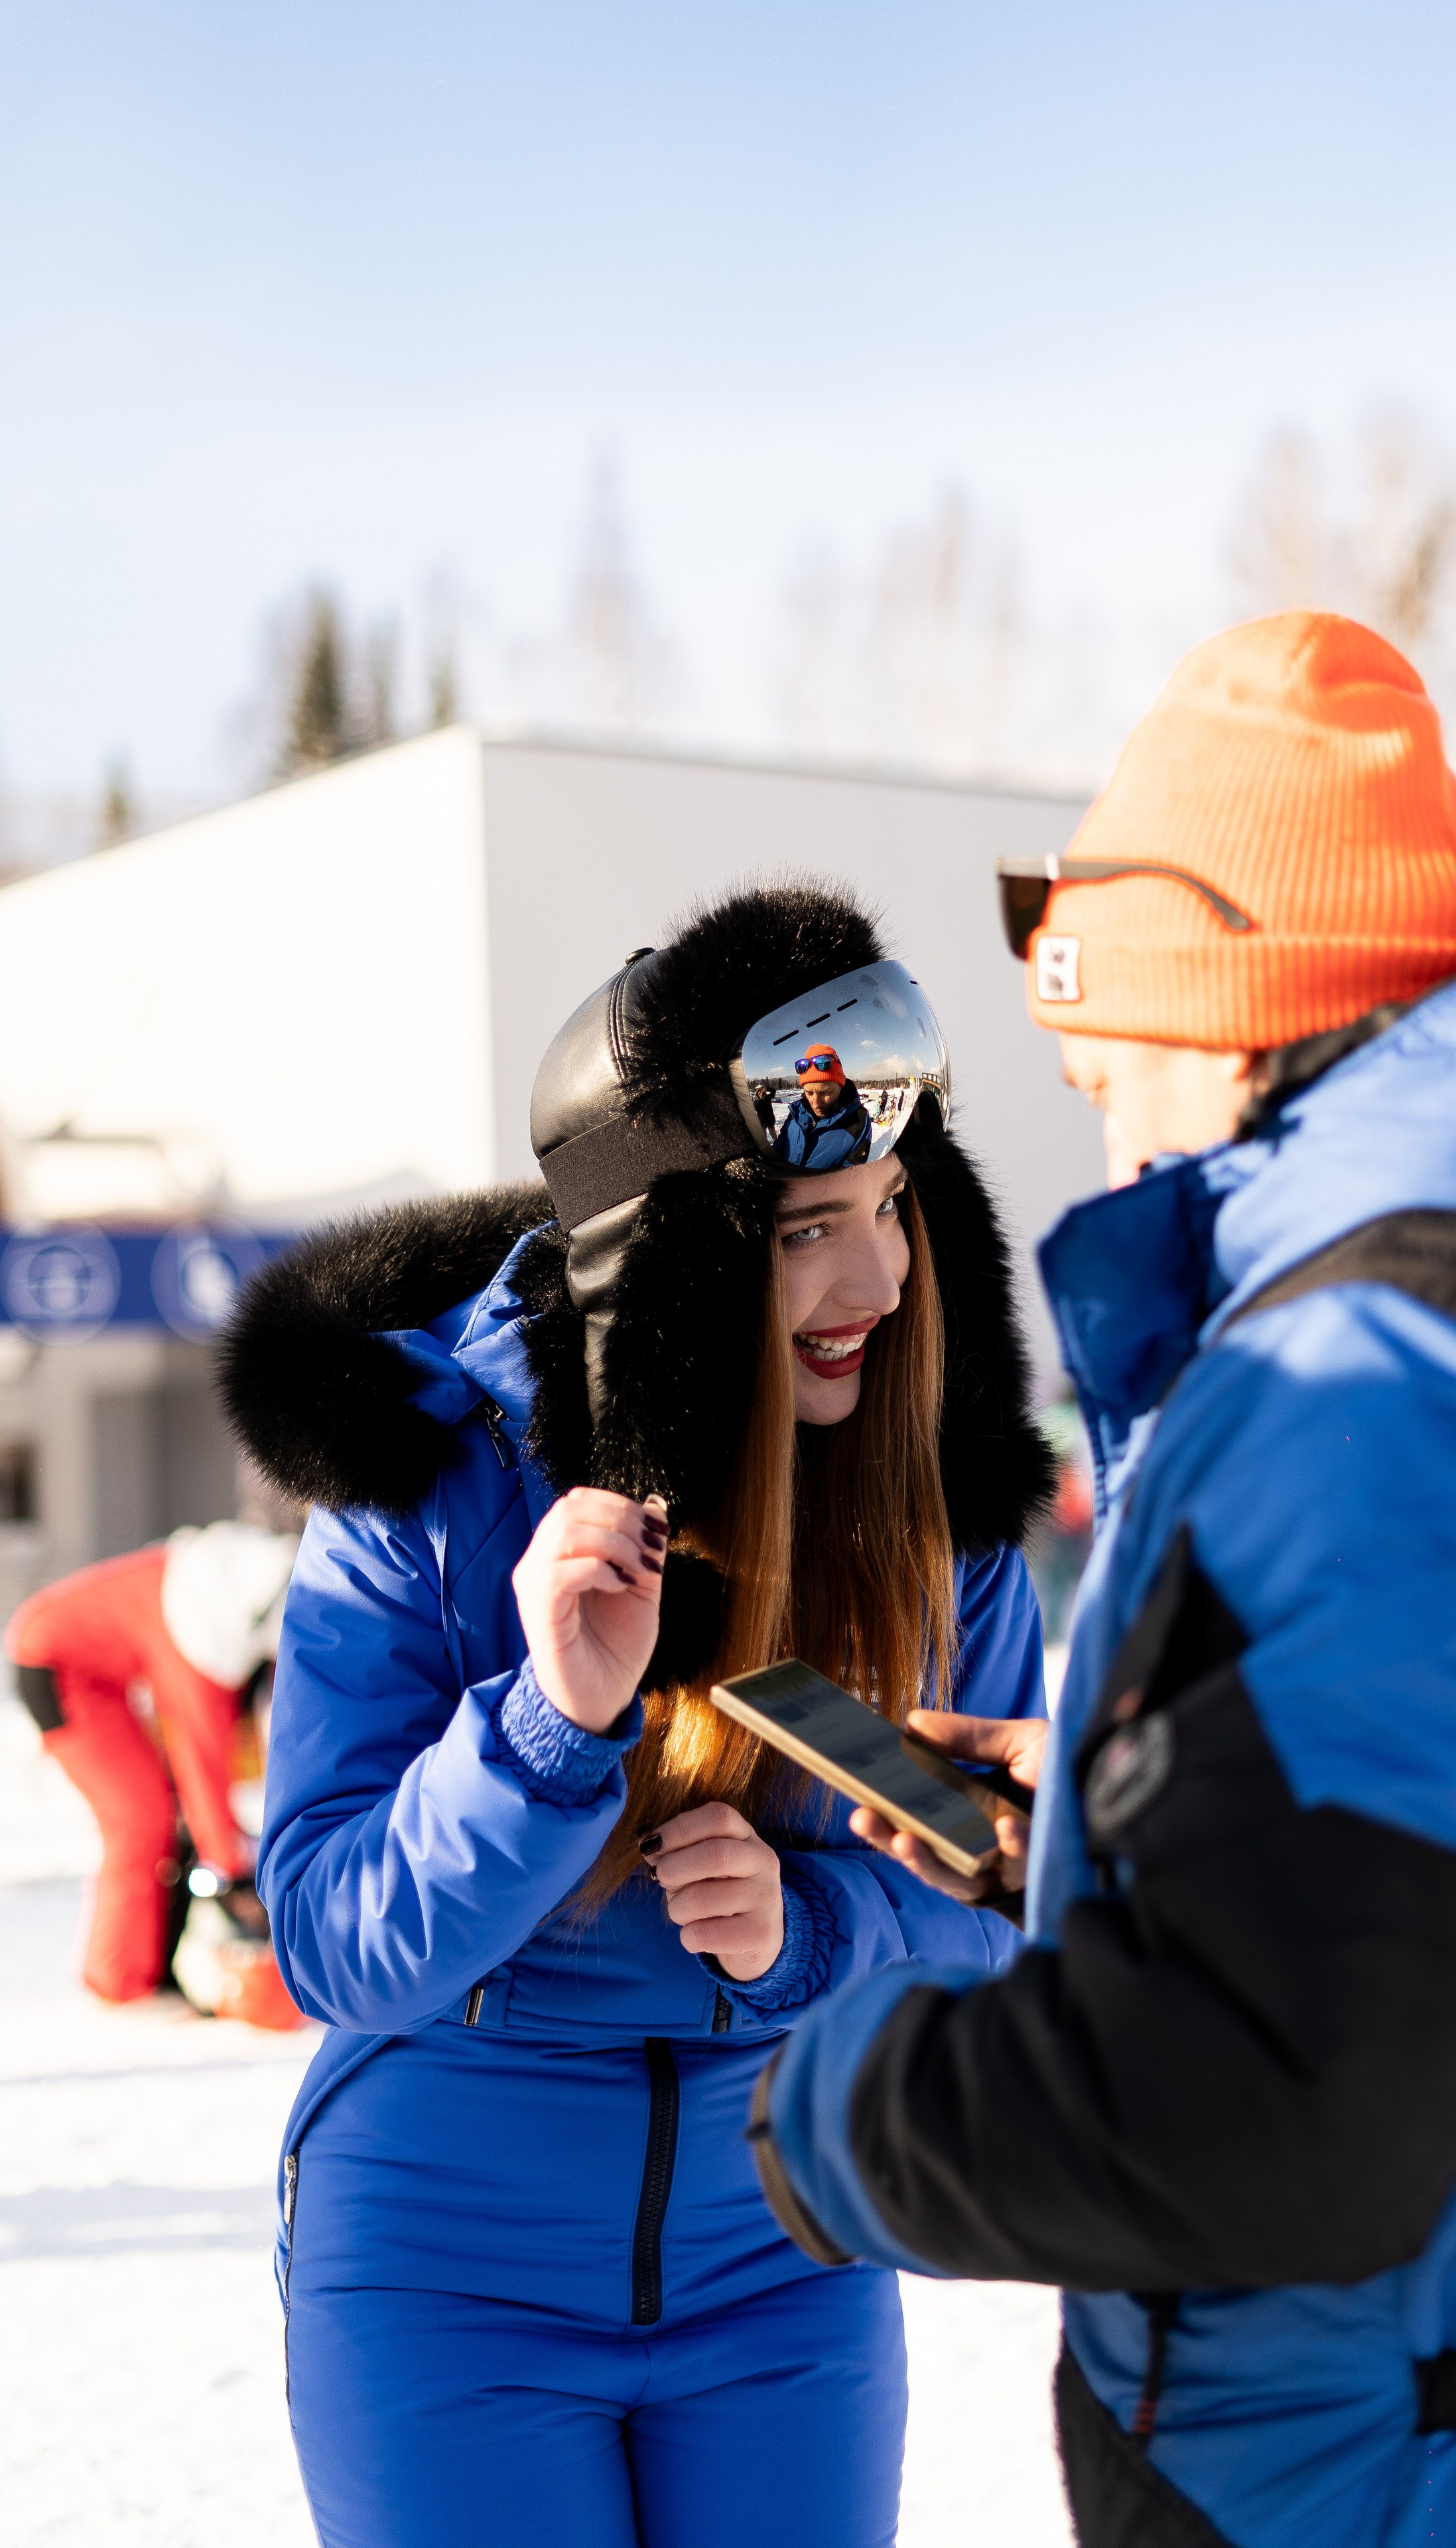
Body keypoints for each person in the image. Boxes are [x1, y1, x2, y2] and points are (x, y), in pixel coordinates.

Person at [749, 612, 1456, 2547]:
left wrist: (838, 2111)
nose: (1104, 1133)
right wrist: (1124, 1817)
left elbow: (1275, 2110)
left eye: (1103, 1076)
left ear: (1213, 1008)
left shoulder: (1380, 1373)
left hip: (1416, 2471)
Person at [219, 885, 1053, 2548]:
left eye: (893, 1204)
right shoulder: (428, 1481)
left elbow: (1008, 1894)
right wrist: (540, 1730)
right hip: (444, 2276)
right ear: (663, 1263)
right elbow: (325, 1939)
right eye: (808, 1224)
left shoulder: (926, 1507)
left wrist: (822, 1922)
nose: (878, 1276)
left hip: (787, 2264)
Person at [7, 1520, 297, 2011]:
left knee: (170, 1814)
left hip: (100, 1673)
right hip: (54, 1667)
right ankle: (120, 1984)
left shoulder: (227, 1586)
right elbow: (201, 1764)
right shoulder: (202, 1635)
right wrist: (228, 1871)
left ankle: (152, 1967)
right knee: (140, 1820)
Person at [772, 1043, 874, 1170]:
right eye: (809, 1093)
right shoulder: (797, 1111)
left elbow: (850, 1176)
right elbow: (781, 1143)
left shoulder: (859, 1122)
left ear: (841, 1086)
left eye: (826, 1093)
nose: (816, 1104)